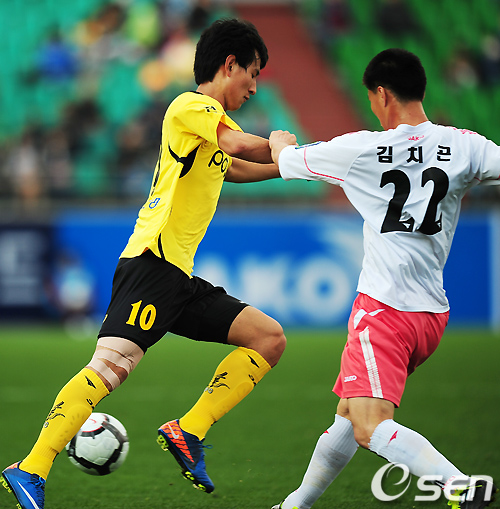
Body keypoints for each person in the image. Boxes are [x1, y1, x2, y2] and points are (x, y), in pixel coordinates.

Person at [1, 18, 289, 509]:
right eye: (253, 73)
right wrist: (283, 145)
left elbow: (236, 166)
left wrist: (292, 165)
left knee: (268, 338)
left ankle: (188, 431)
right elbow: (239, 146)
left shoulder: (211, 131)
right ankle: (31, 467)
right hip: (152, 265)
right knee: (109, 369)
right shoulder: (192, 107)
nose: (255, 87)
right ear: (229, 64)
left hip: (177, 278)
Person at [269, 48, 498, 509]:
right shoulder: (466, 145)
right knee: (347, 415)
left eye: (372, 98)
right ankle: (295, 506)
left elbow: (288, 161)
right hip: (430, 317)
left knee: (368, 425)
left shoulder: (364, 149)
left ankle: (459, 485)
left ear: (381, 94)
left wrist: (280, 140)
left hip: (384, 309)